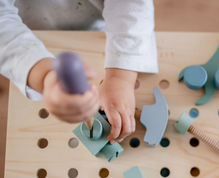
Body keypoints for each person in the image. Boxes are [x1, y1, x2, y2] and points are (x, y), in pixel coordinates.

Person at [0, 0, 158, 144]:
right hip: (25, 35)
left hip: (102, 27)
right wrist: (42, 74)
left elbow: (131, 5)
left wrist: (121, 76)